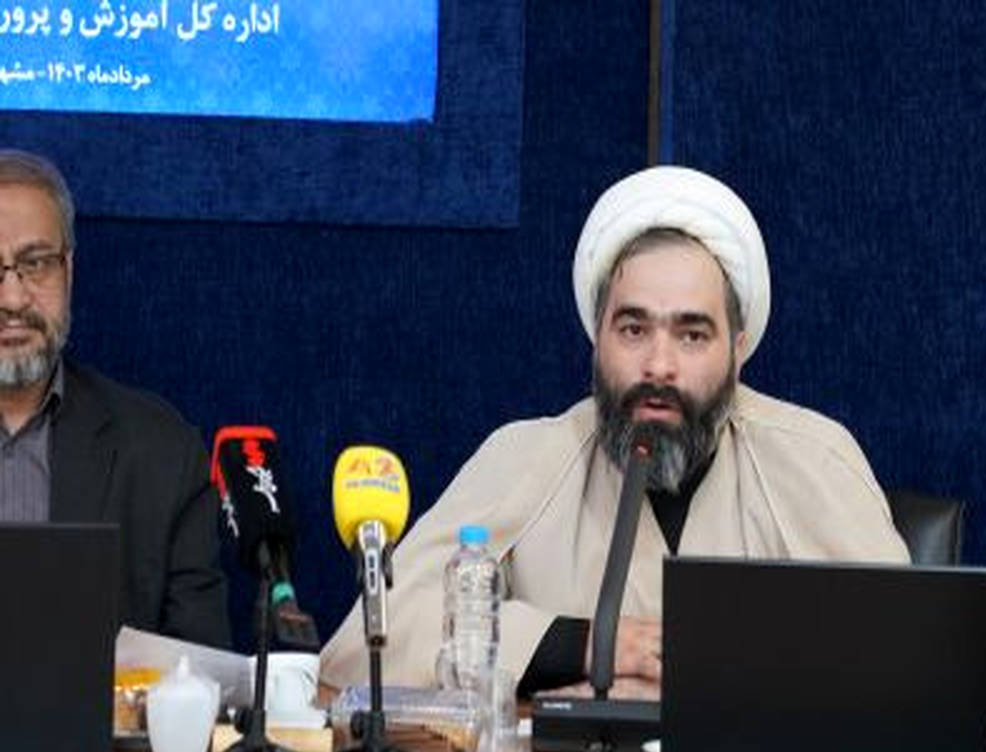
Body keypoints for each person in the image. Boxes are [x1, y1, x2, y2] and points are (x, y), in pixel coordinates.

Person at [321, 166, 908, 697]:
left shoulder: (816, 459)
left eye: (692, 335)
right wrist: (587, 646)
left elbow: (907, 663)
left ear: (738, 350)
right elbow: (366, 644)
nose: (659, 365)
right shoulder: (526, 456)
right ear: (596, 339)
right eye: (633, 329)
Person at [0, 149, 229, 647]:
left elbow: (200, 668)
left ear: (69, 270)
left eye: (35, 264)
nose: (13, 299)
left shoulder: (163, 454)